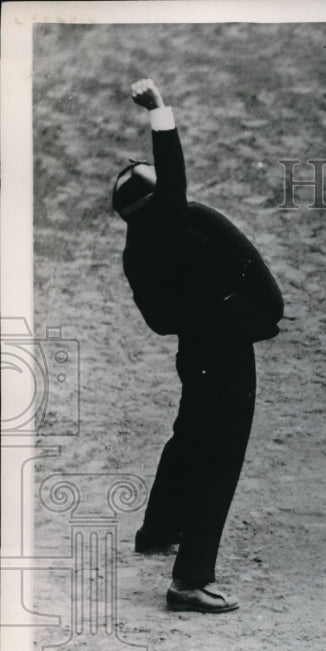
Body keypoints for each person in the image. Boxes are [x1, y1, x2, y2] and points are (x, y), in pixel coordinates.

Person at [113, 78, 284, 613]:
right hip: (227, 350)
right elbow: (175, 176)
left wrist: (204, 314)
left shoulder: (136, 251)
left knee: (189, 437)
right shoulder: (179, 219)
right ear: (157, 202)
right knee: (220, 458)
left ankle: (158, 530)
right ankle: (190, 580)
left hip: (194, 350)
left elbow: (160, 322)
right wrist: (159, 110)